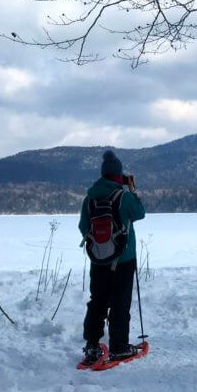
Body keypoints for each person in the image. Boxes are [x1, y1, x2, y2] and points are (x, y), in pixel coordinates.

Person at [79, 150, 146, 364]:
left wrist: (101, 244)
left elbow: (83, 227)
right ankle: (119, 347)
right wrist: (132, 189)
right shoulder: (124, 196)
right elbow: (139, 213)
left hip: (98, 260)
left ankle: (91, 347)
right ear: (119, 176)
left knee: (97, 301)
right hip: (123, 260)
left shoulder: (89, 199)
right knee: (120, 303)